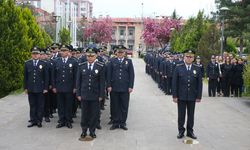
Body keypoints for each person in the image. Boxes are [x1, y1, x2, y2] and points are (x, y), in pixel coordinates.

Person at [172, 50, 203, 139]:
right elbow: (174, 83)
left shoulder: (197, 68)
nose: (189, 58)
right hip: (181, 96)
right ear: (184, 57)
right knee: (181, 115)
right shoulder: (178, 67)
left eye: (191, 57)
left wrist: (199, 96)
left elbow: (199, 84)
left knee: (191, 115)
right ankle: (181, 131)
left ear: (193, 58)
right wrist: (174, 96)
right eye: (187, 56)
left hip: (192, 96)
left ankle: (190, 131)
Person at [76, 48, 105, 139]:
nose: (90, 57)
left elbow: (102, 82)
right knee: (84, 114)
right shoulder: (81, 66)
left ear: (95, 56)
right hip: (84, 94)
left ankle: (92, 131)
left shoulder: (100, 66)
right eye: (88, 56)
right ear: (86, 56)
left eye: (92, 56)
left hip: (95, 95)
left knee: (94, 114)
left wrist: (101, 95)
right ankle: (84, 130)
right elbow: (78, 82)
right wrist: (78, 94)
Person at [107, 45, 135, 130]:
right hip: (114, 87)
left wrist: (130, 86)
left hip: (125, 87)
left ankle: (122, 122)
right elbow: (108, 74)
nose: (120, 54)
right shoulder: (112, 61)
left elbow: (132, 75)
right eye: (118, 52)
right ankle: (115, 122)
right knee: (114, 105)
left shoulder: (128, 61)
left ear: (124, 53)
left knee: (124, 105)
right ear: (116, 53)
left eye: (121, 52)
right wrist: (109, 85)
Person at [52, 45, 77, 129]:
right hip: (59, 87)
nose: (63, 52)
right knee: (60, 105)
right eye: (61, 51)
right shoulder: (56, 61)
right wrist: (54, 86)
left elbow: (75, 76)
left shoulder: (73, 62)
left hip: (69, 88)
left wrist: (75, 87)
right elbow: (53, 75)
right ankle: (62, 120)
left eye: (65, 51)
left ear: (68, 52)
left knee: (69, 105)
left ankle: (68, 121)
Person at [24, 47, 49, 128]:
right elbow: (25, 77)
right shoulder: (27, 63)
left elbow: (46, 77)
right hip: (31, 88)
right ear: (31, 54)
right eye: (33, 54)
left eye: (37, 54)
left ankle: (39, 121)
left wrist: (45, 88)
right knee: (32, 105)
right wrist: (25, 88)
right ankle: (33, 120)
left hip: (40, 88)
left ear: (39, 55)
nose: (35, 55)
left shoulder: (43, 63)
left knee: (40, 105)